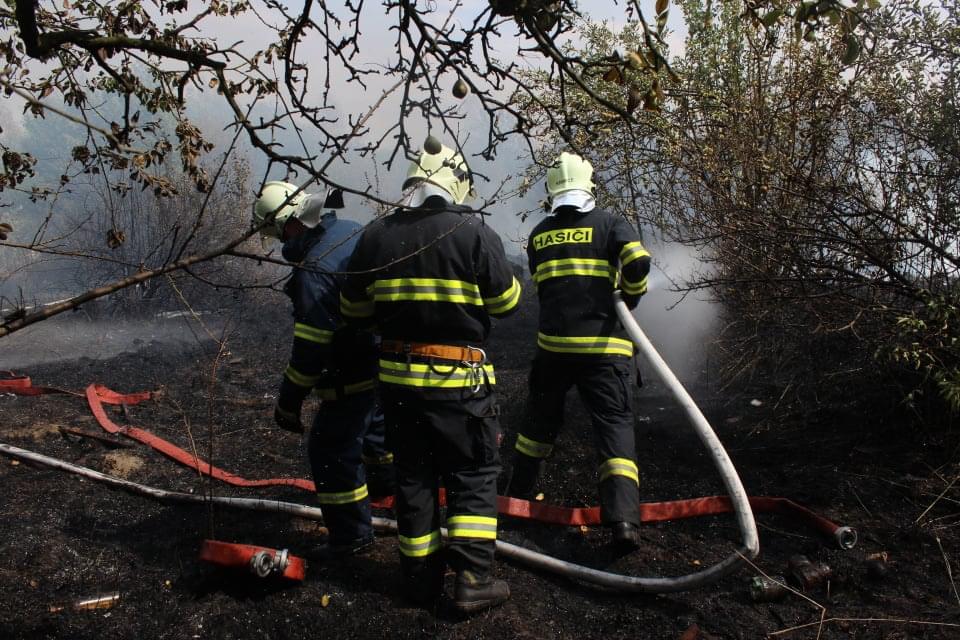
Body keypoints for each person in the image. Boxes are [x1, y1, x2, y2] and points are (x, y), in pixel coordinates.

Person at [340, 141, 521, 613]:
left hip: (398, 385)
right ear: (456, 183)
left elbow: (352, 310)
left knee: (414, 477)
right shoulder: (472, 232)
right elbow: (506, 304)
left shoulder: (376, 236)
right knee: (473, 473)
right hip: (459, 384)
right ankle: (472, 580)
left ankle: (419, 581)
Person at [504, 151, 651, 550]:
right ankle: (623, 522)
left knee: (538, 423)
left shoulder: (539, 234)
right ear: (589, 184)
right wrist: (631, 296)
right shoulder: (610, 223)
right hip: (604, 349)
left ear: (551, 189)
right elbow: (638, 262)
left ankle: (517, 498)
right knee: (613, 427)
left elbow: (545, 285)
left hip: (553, 349)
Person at [253, 181, 393, 556]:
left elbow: (310, 351)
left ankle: (351, 538)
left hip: (352, 368)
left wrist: (288, 401)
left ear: (288, 223)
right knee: (376, 430)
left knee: (330, 450)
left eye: (278, 233)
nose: (280, 243)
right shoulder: (350, 229)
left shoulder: (315, 268)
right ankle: (386, 488)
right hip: (385, 357)